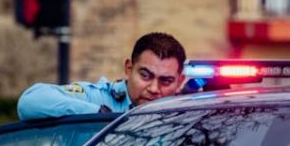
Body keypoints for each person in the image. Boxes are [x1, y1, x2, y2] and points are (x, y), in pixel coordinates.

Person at [17, 32, 187, 120]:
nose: (154, 89)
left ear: (179, 81)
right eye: (145, 75)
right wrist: (98, 115)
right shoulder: (97, 98)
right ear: (128, 68)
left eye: (166, 81)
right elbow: (30, 101)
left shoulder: (190, 114)